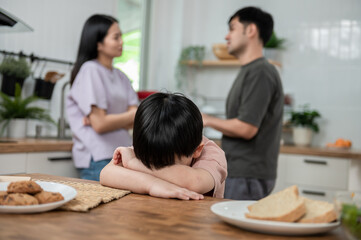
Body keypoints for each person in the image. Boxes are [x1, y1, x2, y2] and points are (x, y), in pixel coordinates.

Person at [202, 7, 284, 200]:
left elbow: (246, 128)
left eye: (232, 28)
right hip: (243, 173)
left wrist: (206, 119)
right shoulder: (251, 70)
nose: (226, 36)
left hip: (247, 175)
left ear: (251, 31)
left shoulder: (260, 71)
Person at [100, 92, 227, 200]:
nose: (151, 165)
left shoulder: (211, 154)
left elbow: (195, 182)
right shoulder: (151, 144)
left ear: (197, 150)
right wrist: (151, 185)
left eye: (166, 165)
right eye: (148, 162)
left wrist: (135, 162)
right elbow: (107, 173)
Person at [66, 14, 139, 181]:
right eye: (116, 37)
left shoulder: (121, 76)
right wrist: (125, 117)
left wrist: (107, 119)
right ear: (98, 43)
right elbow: (100, 125)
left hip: (124, 154)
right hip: (98, 158)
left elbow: (134, 120)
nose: (122, 41)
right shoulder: (90, 70)